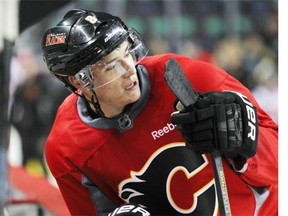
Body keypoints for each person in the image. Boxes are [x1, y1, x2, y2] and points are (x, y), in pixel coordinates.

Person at [41, 9, 278, 216]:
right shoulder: (66, 147)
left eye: (127, 53)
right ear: (79, 81)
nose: (129, 70)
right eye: (111, 66)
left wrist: (245, 144)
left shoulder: (188, 77)